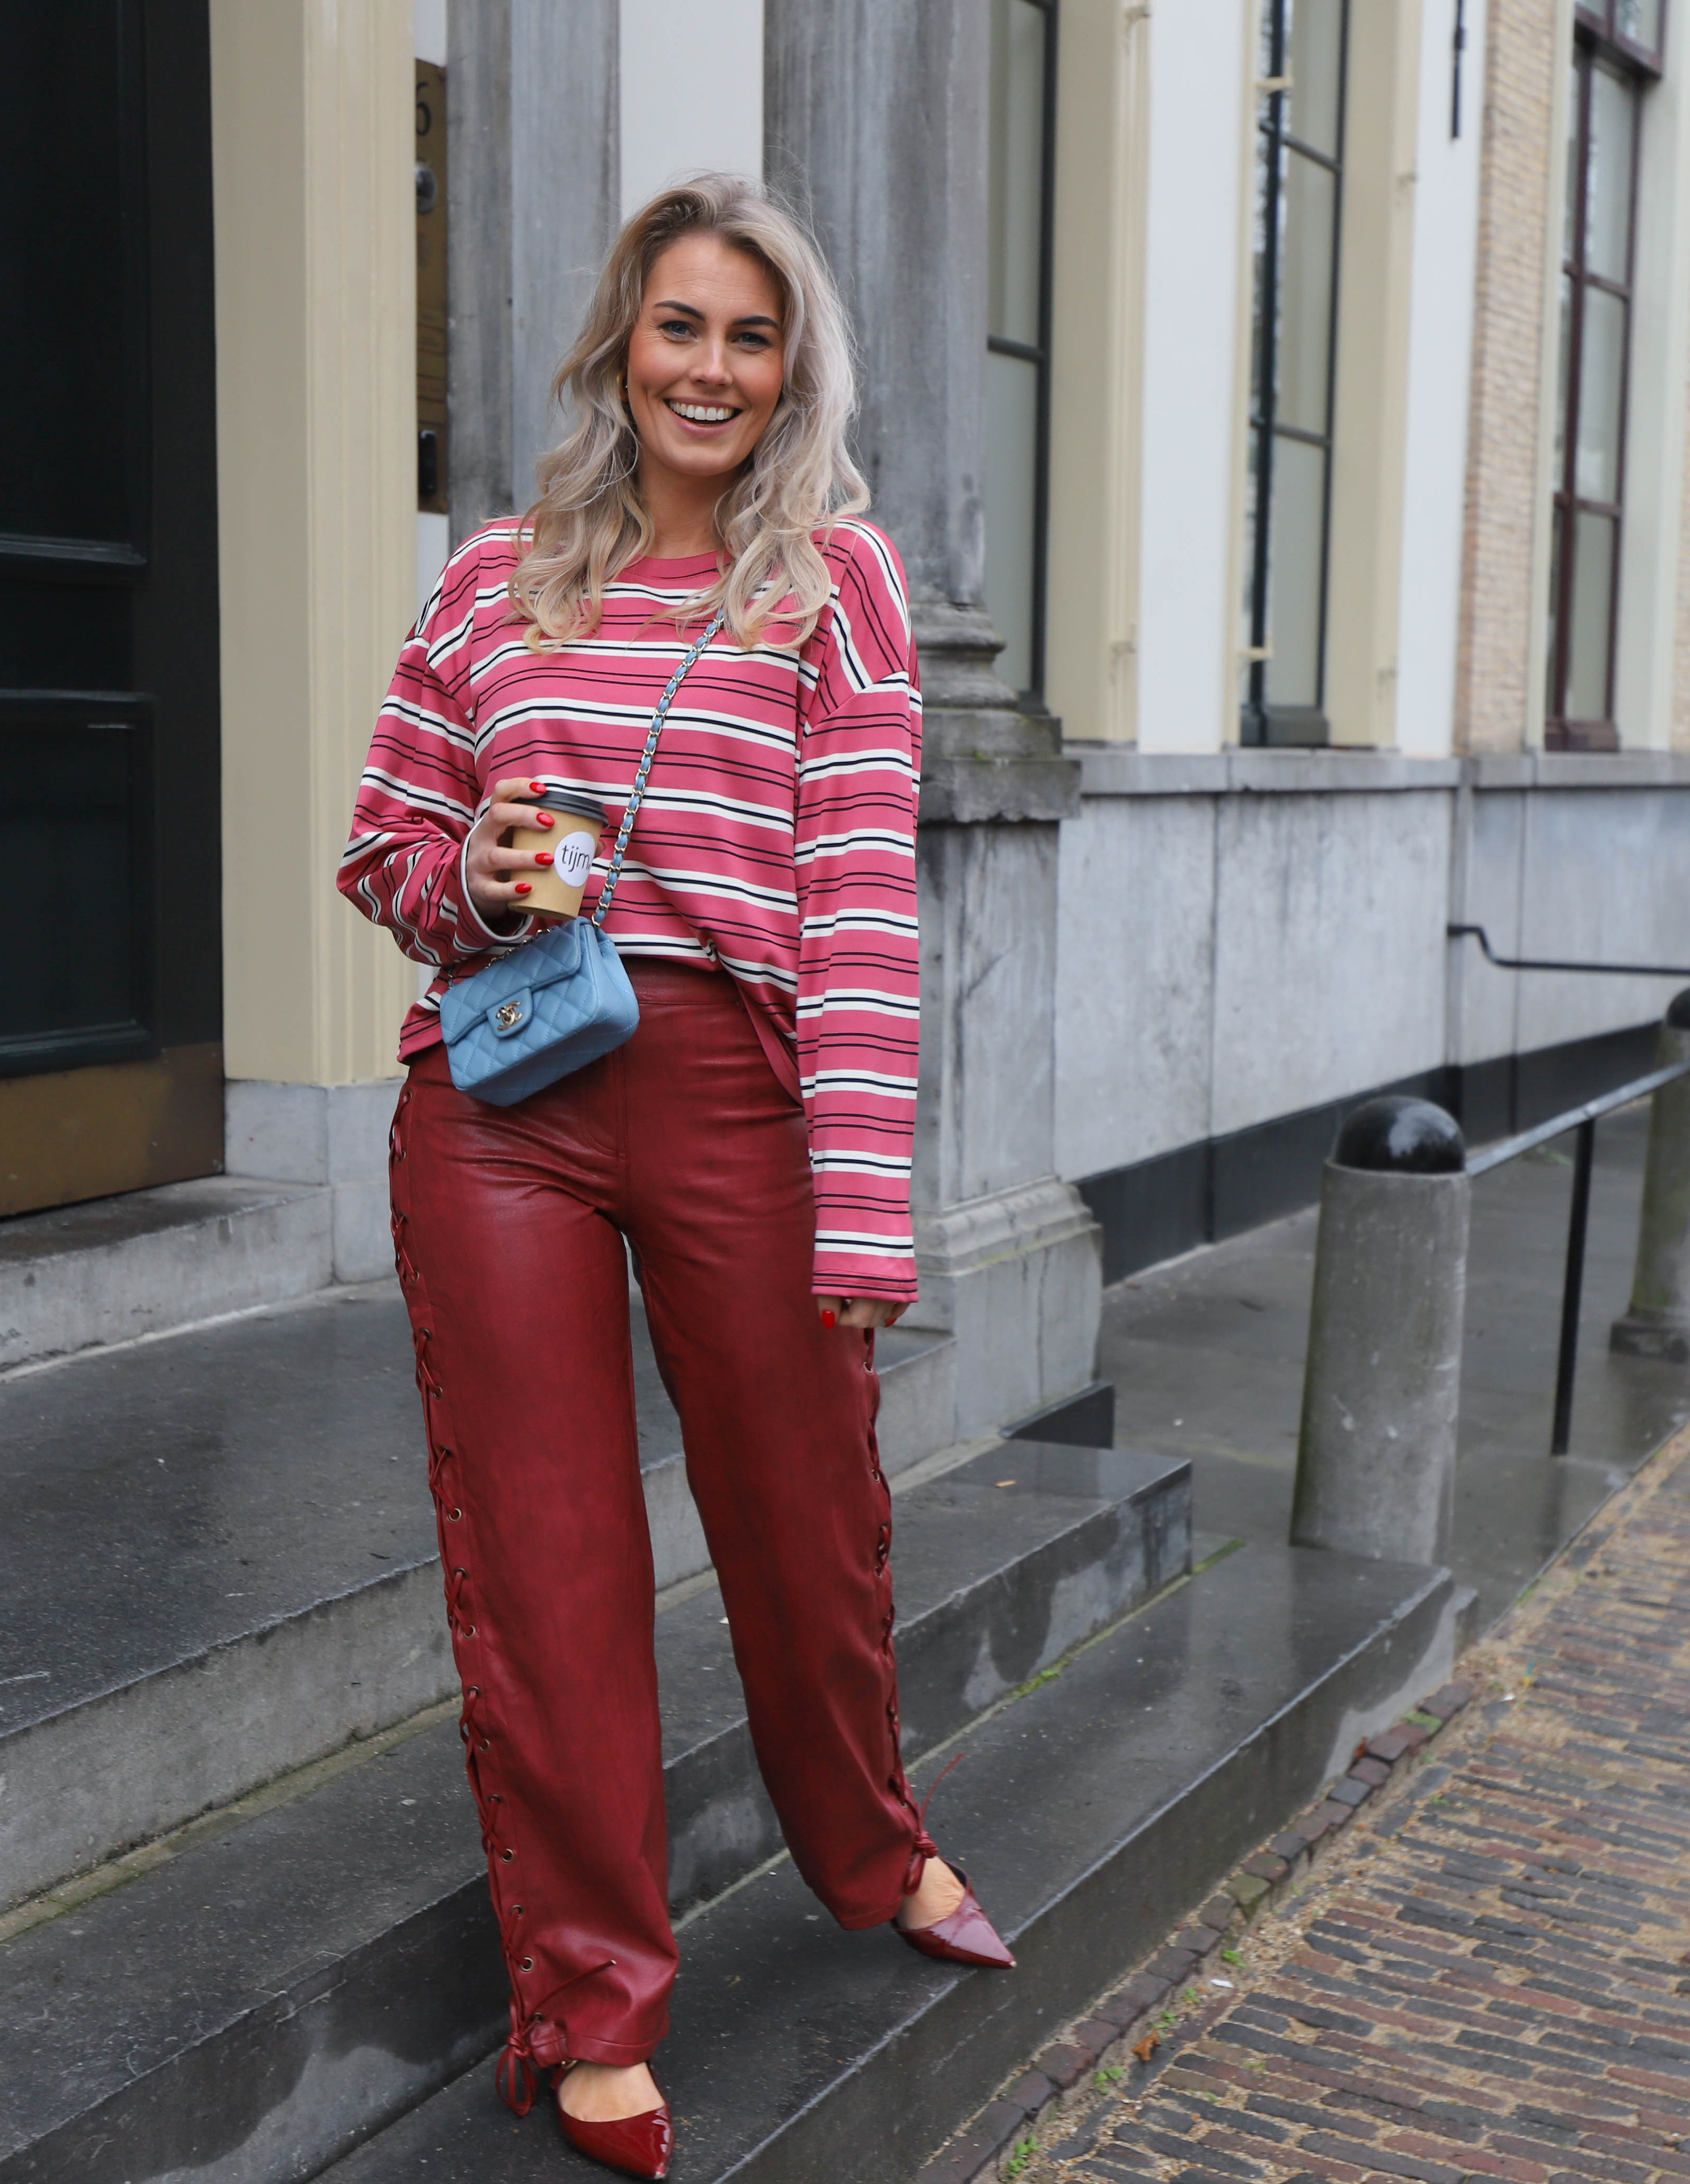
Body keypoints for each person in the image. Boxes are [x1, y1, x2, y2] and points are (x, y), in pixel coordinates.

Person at [339, 174, 1013, 2182]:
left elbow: (862, 912)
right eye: (679, 328)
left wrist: (867, 1200)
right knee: (546, 1558)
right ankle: (594, 2002)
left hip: (738, 1091)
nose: (709, 369)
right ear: (619, 350)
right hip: (506, 1095)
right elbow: (383, 845)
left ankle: (871, 1841)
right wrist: (471, 878)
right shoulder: (493, 584)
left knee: (808, 1517)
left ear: (792, 367)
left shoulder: (836, 586)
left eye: (750, 335)